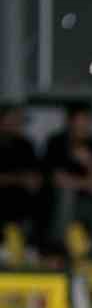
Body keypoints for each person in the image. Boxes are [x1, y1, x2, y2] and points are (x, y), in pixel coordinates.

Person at [43, 102, 92, 253]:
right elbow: (59, 179)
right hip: (57, 203)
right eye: (81, 121)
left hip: (85, 202)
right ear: (70, 122)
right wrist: (87, 184)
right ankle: (57, 244)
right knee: (66, 193)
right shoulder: (56, 143)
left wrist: (89, 163)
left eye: (87, 121)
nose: (84, 126)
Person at [0, 105, 43, 247]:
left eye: (17, 120)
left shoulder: (26, 145)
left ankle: (29, 248)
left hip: (22, 195)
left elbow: (36, 174)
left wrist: (33, 181)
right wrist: (20, 179)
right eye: (10, 119)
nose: (14, 124)